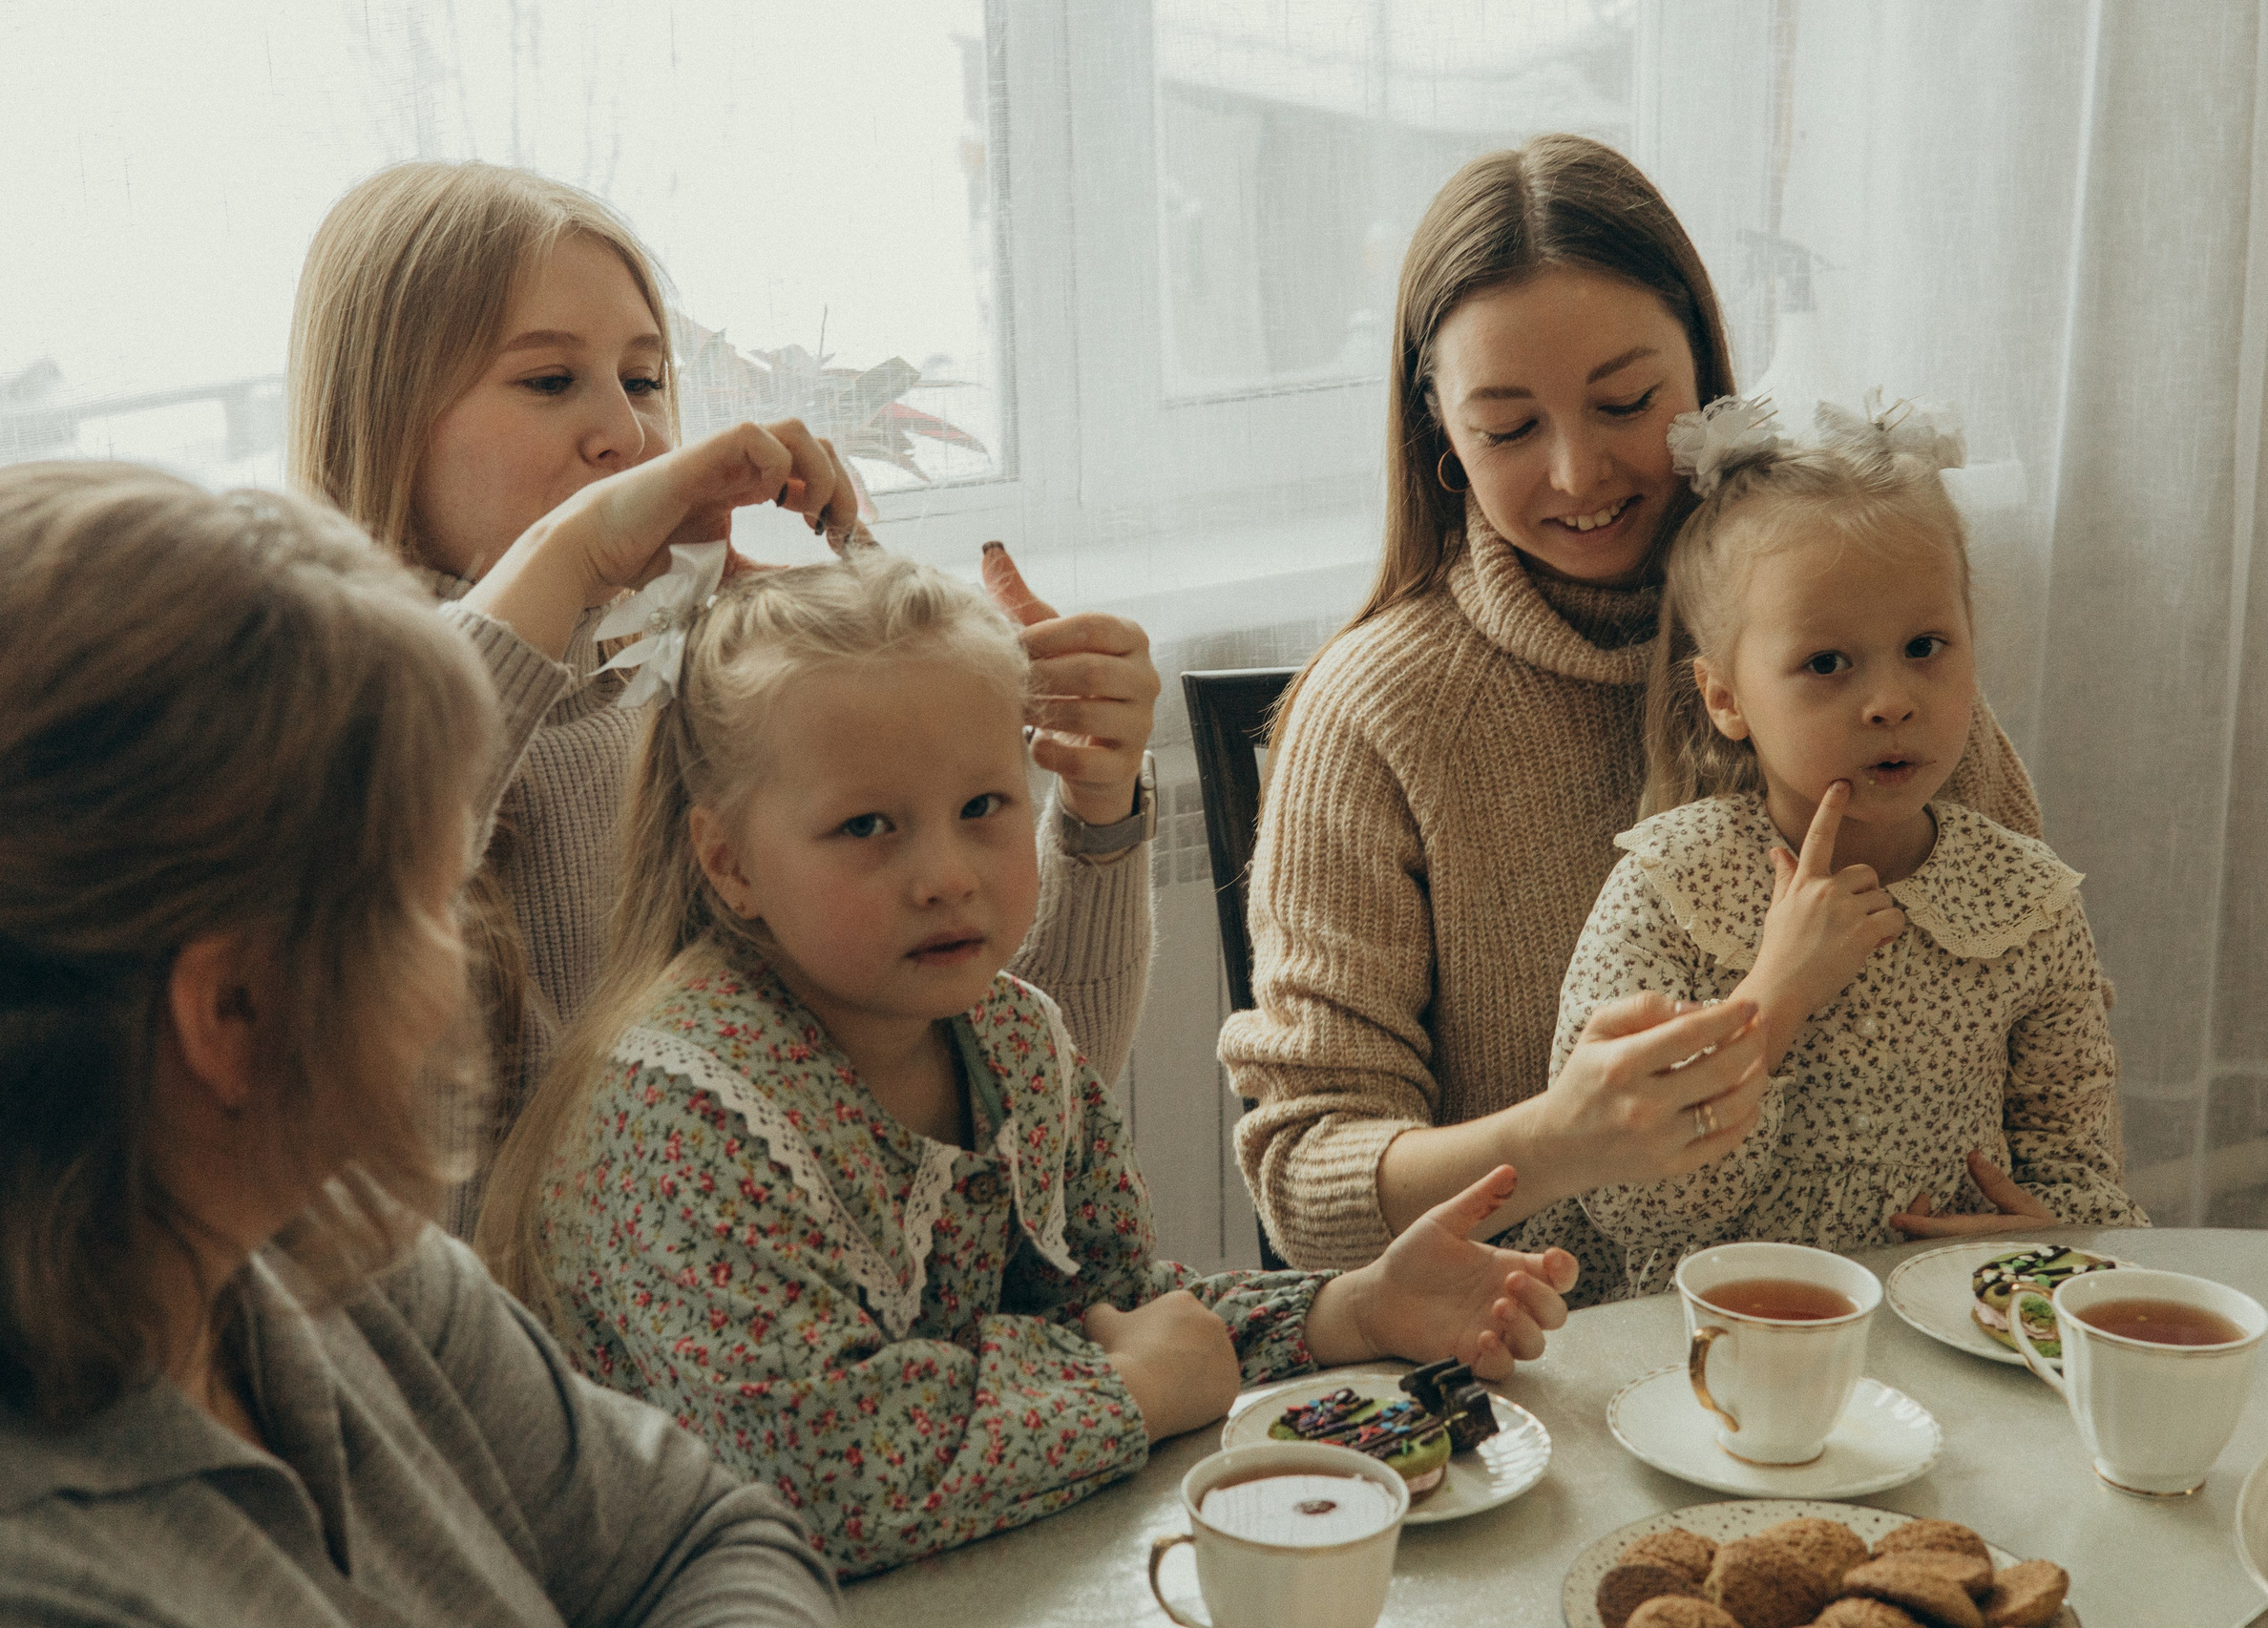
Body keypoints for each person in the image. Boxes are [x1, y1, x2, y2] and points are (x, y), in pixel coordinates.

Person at [474, 549, 1579, 1578]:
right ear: (729, 862)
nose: (946, 873)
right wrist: (1125, 1390)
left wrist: (1347, 1311)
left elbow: (1124, 1303)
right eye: (868, 826)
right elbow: (820, 1480)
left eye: (984, 807)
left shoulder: (1012, 1033)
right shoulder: (680, 1112)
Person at [0, 463, 836, 1625]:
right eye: (430, 895)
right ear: (232, 1011)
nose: (466, 946)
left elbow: (701, 1534)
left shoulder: (348, 1261)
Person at [1219, 134, 2046, 1303]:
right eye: (1508, 428)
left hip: (1904, 1322)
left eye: (1624, 401)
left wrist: (2051, 1209)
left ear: (1707, 375)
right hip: (1552, 1363)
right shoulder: (1377, 714)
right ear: (1438, 434)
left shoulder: (1846, 621)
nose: (1576, 472)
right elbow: (1308, 1183)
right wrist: (1558, 1136)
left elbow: (2042, 986)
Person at [288, 162, 1160, 1233]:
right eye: (550, 381)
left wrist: (1099, 808)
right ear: (382, 417)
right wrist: (581, 549)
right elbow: (360, 853)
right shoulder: (321, 732)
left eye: (645, 381)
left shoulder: (683, 694)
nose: (628, 434)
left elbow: (1023, 1111)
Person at [1554, 396, 2144, 1293]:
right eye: (1827, 663)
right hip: (1716, 1349)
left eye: (1925, 646)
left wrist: (2061, 1232)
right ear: (1725, 699)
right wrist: (1774, 999)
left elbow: (2086, 1177)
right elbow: (1631, 1202)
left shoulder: (2026, 906)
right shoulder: (1669, 890)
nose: (1891, 700)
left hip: (1948, 1335)